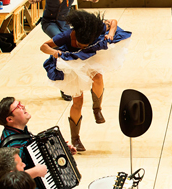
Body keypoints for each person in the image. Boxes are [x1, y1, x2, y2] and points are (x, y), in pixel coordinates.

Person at [41, 10, 131, 151]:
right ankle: (75, 139)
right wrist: (54, 52)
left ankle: (97, 108)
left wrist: (111, 33)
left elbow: (113, 21)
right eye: (80, 44)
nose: (82, 46)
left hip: (89, 59)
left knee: (98, 76)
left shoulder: (96, 28)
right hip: (71, 63)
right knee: (78, 101)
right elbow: (43, 46)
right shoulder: (66, 35)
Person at [0, 96, 87, 189]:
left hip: (39, 183)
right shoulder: (12, 146)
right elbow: (9, 179)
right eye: (18, 107)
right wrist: (36, 171)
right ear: (9, 119)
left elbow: (35, 157)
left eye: (20, 103)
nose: (23, 106)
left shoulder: (21, 132)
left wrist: (62, 151)